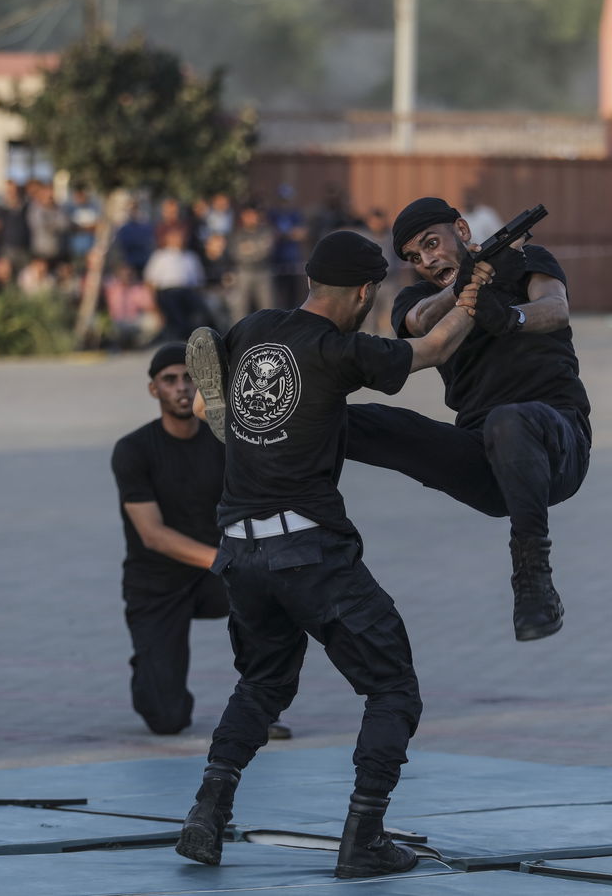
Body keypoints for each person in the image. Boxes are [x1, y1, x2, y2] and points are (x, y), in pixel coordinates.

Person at [176, 230, 480, 878]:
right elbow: (431, 348)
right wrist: (470, 299)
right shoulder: (341, 351)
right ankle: (363, 838)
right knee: (392, 686)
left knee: (261, 683)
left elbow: (211, 400)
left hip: (239, 549)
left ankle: (207, 811)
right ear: (366, 292)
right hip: (308, 550)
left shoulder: (256, 326)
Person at [346, 196, 592, 643]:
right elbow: (420, 324)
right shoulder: (416, 297)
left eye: (432, 243)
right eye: (415, 257)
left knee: (510, 421)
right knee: (373, 423)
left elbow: (555, 308)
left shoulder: (525, 259)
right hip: (485, 457)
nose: (426, 259)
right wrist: (464, 290)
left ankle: (533, 577)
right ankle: (266, 426)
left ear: (462, 230)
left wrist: (511, 317)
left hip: (559, 442)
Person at [112, 344, 290, 738]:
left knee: (275, 598)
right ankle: (152, 662)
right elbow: (152, 535)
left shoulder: (224, 443)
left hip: (215, 575)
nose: (180, 387)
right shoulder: (133, 450)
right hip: (155, 583)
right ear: (153, 389)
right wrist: (225, 559)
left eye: (188, 377)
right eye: (169, 380)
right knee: (167, 719)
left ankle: (259, 706)